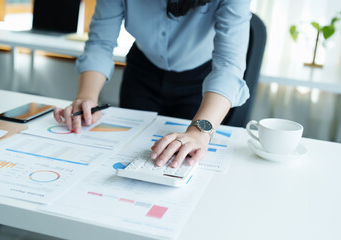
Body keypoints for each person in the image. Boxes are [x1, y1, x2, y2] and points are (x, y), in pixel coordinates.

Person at [54, 0, 251, 168]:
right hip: (142, 71)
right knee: (128, 154)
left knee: (184, 159)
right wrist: (86, 97)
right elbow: (100, 43)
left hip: (200, 81)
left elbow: (228, 65)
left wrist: (200, 131)